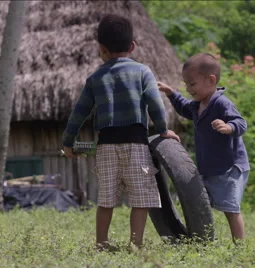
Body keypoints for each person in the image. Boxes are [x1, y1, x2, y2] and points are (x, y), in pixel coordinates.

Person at [62, 14, 180, 250]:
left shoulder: (95, 78)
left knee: (106, 200)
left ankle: (102, 243)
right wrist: (164, 129)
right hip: (136, 144)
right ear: (132, 46)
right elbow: (155, 103)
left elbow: (79, 113)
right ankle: (135, 243)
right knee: (141, 199)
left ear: (101, 49)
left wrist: (68, 141)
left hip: (106, 146)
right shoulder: (143, 72)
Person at [157, 53, 250, 243]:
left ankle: (241, 248)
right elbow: (184, 107)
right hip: (209, 168)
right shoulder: (198, 104)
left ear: (211, 80)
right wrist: (171, 93)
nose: (188, 89)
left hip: (229, 167)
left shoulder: (221, 103)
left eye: (192, 84)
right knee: (199, 203)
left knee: (231, 209)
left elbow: (241, 123)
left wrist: (228, 127)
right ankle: (199, 236)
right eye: (186, 85)